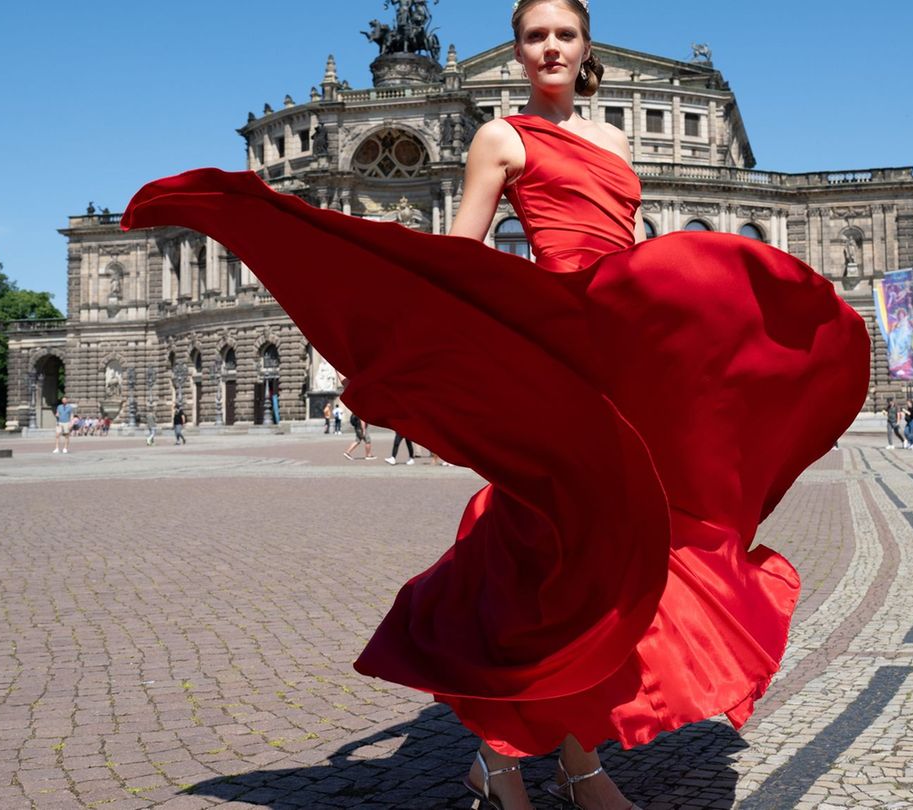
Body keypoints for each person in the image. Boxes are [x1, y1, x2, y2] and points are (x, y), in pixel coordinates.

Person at [120, 1, 869, 805]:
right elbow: (460, 258)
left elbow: (628, 248)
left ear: (585, 51)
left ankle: (516, 759)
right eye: (535, 36)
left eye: (565, 35)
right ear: (516, 52)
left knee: (617, 552)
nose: (550, 47)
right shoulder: (499, 138)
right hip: (550, 347)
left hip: (613, 348)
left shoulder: (617, 141)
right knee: (562, 555)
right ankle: (555, 763)